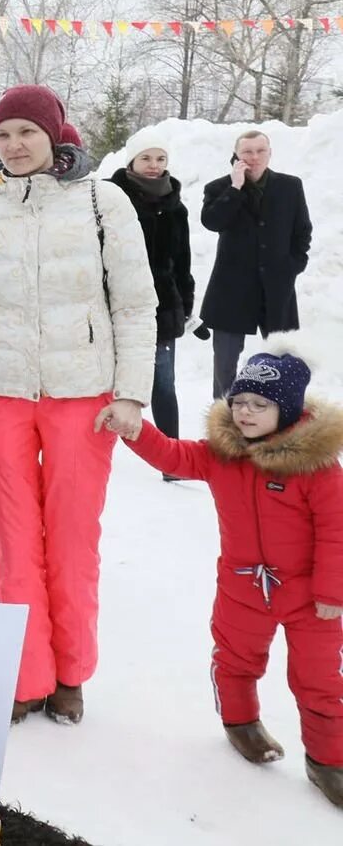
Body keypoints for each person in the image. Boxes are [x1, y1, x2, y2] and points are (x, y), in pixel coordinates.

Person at [0, 84, 156, 726]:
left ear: (55, 135)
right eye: (3, 136)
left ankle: (71, 673)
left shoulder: (100, 200)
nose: (14, 145)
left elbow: (136, 305)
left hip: (82, 393)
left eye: (26, 133)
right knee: (12, 539)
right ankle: (26, 674)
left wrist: (132, 394)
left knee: (72, 537)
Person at [119, 344, 342, 809]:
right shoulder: (221, 454)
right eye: (240, 402)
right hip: (243, 588)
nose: (245, 412)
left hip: (309, 597)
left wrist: (332, 592)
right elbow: (174, 456)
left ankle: (328, 761)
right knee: (236, 659)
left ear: (289, 408)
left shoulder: (317, 467)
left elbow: (337, 531)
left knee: (321, 678)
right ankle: (241, 723)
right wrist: (136, 430)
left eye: (260, 405)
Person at [199, 130, 312, 399]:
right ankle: (223, 423)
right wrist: (235, 188)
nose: (254, 157)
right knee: (225, 366)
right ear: (237, 155)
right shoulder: (219, 188)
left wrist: (292, 266)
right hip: (231, 291)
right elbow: (213, 222)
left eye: (260, 151)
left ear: (269, 153)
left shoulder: (290, 186)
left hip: (277, 288)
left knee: (286, 362)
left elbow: (302, 231)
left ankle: (285, 416)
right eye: (247, 151)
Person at [106, 132, 194, 461]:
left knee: (163, 383)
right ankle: (96, 447)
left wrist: (185, 305)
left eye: (160, 159)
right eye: (146, 158)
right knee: (104, 381)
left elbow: (182, 262)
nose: (154, 165)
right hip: (113, 304)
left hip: (162, 308)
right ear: (131, 161)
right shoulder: (110, 197)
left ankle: (171, 456)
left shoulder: (176, 206)